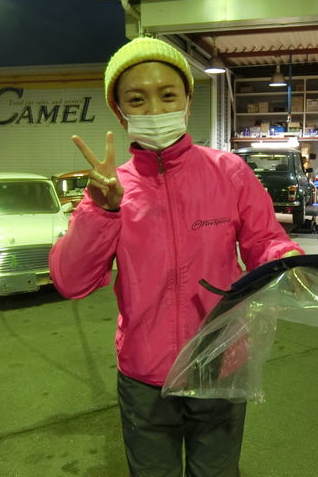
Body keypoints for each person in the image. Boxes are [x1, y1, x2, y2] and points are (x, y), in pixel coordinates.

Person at [49, 36, 303, 476]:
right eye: (137, 99)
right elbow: (71, 282)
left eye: (167, 95)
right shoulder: (112, 190)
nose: (154, 110)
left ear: (187, 101)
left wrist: (289, 258)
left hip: (219, 364)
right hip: (144, 376)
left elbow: (263, 241)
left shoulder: (229, 172)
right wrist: (100, 211)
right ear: (120, 112)